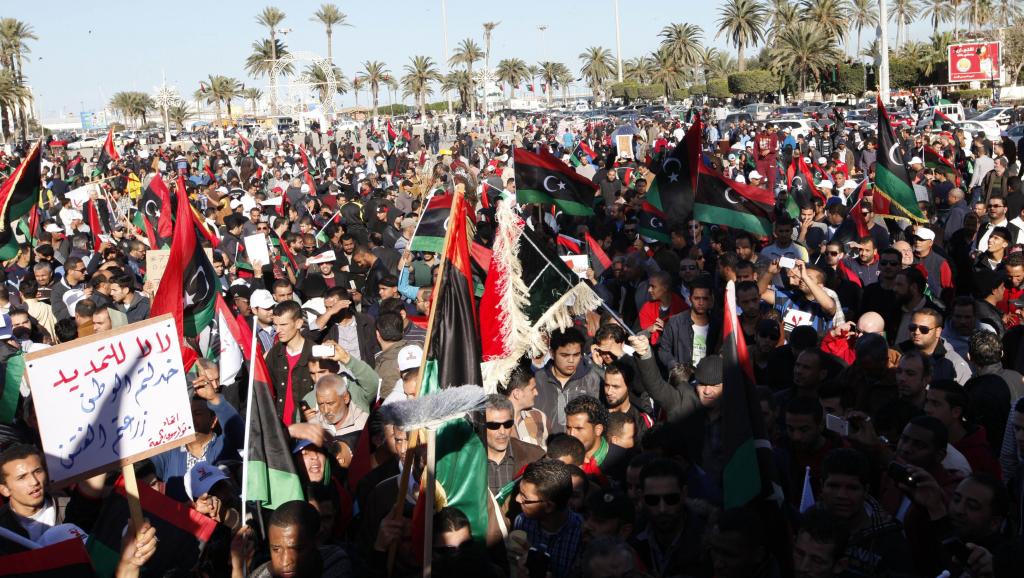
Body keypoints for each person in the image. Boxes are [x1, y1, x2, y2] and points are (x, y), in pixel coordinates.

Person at [630, 458, 709, 577]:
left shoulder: (708, 544)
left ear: (684, 494)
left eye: (671, 499)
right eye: (652, 500)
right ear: (641, 497)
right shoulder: (631, 538)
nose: (662, 509)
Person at [513, 459, 583, 578]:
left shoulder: (582, 532)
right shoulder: (522, 522)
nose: (517, 499)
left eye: (524, 498)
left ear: (549, 506)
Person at [251, 500, 351, 577]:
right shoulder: (260, 575)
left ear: (316, 542)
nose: (285, 562)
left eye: (296, 549)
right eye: (276, 549)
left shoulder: (334, 561)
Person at [533, 328, 601, 434]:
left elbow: (595, 418)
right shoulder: (538, 379)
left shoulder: (591, 379)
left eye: (576, 355)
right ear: (552, 353)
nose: (571, 360)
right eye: (565, 355)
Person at [482, 394, 544, 496]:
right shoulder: (467, 461)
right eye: (494, 425)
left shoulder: (536, 457)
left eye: (507, 424)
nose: (502, 431)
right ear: (481, 426)